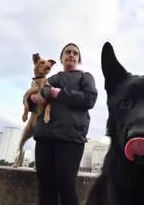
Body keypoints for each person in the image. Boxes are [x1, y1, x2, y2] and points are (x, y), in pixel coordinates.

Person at [28, 42, 98, 205]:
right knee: (45, 188)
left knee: (66, 186)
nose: (71, 55)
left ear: (78, 59)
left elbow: (90, 99)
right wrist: (32, 99)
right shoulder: (49, 79)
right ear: (61, 58)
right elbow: (33, 101)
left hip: (70, 139)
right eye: (67, 52)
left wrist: (58, 93)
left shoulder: (85, 77)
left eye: (75, 53)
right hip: (44, 137)